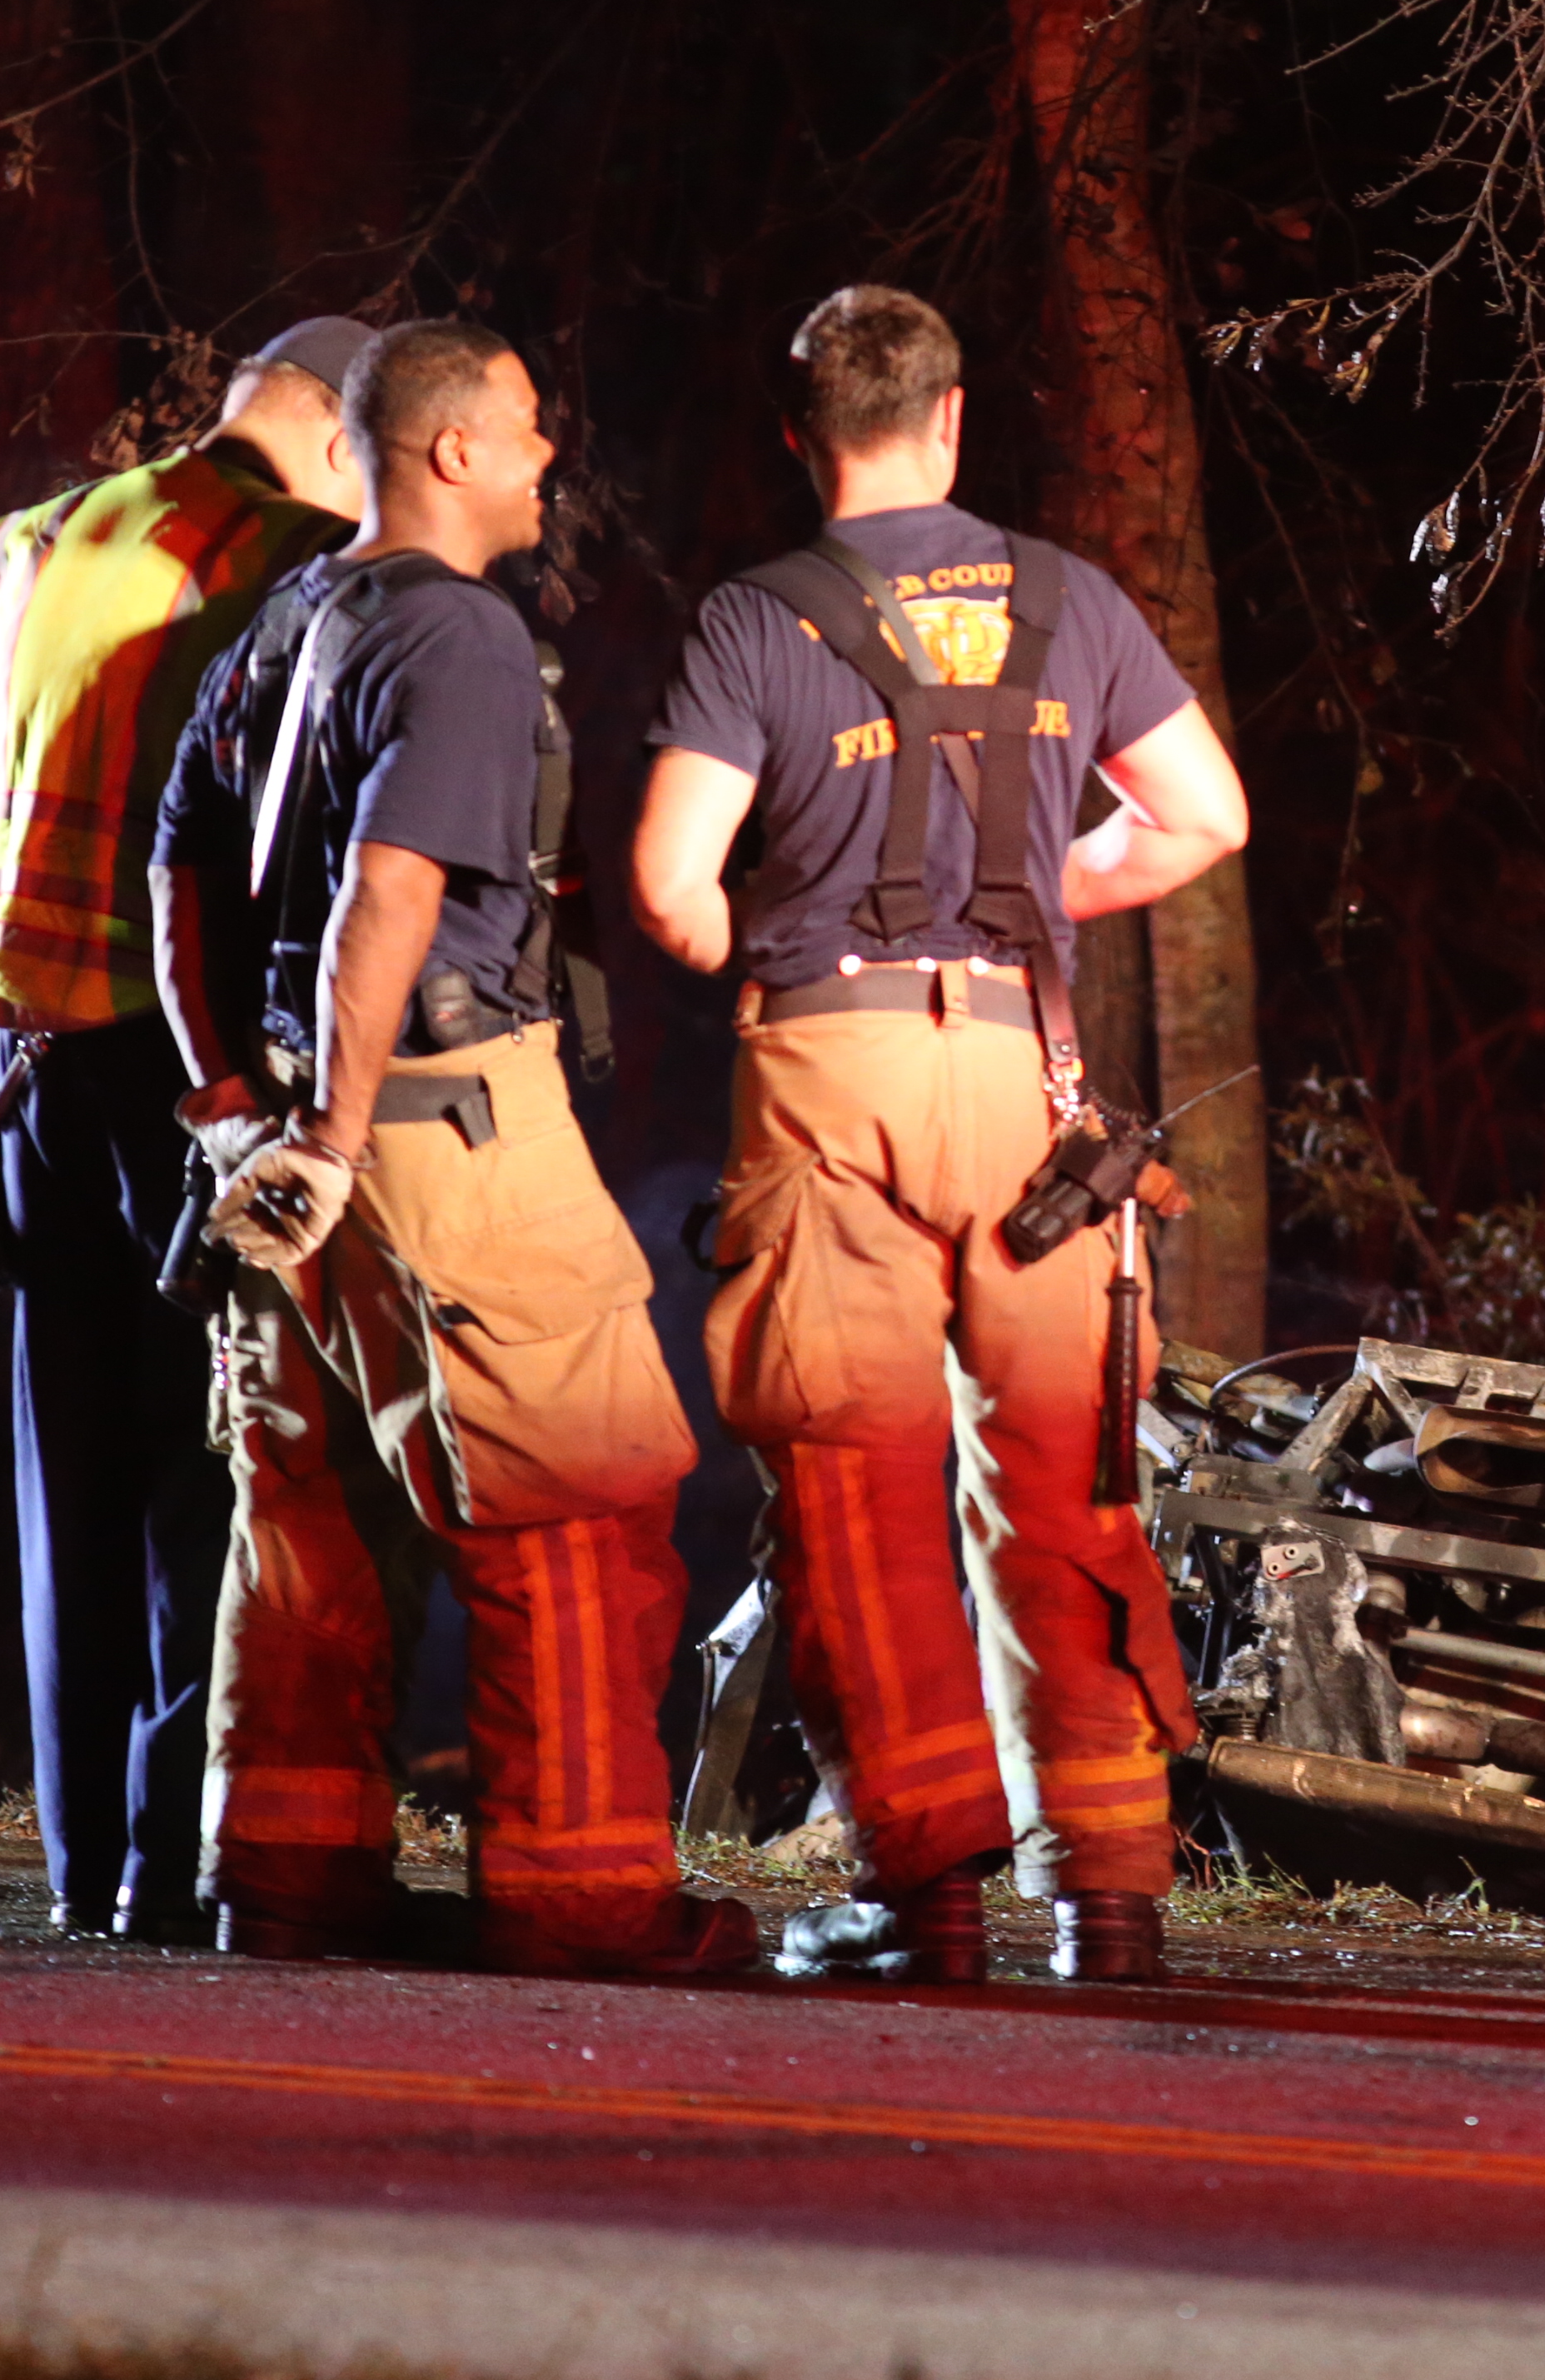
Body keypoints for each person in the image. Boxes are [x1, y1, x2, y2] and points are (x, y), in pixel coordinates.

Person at [625, 284, 1249, 1982]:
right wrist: (1050, 887)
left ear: (799, 435)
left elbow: (672, 884)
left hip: (838, 1084)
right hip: (1030, 1094)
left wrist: (758, 935)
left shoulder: (758, 620)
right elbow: (1206, 816)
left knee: (855, 1491)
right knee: (1068, 1491)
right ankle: (1110, 1899)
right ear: (953, 418)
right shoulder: (1076, 600)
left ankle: (930, 1901)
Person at [147, 316, 751, 1973]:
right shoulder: (461, 641)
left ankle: (287, 1883)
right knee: (579, 1506)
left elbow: (176, 872)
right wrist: (343, 1129)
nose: (551, 456)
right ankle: (582, 1909)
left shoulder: (280, 621)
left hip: (283, 1149)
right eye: (530, 427)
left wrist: (233, 1110)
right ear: (449, 450)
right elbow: (392, 891)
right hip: (434, 1126)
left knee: (307, 1513)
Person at [0, 316, 370, 1939]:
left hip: (16, 1061)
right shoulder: (284, 554)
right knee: (209, 1468)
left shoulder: (49, 533)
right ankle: (165, 1858)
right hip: (165, 1066)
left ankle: (79, 1867)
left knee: (67, 1470)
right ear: (338, 436)